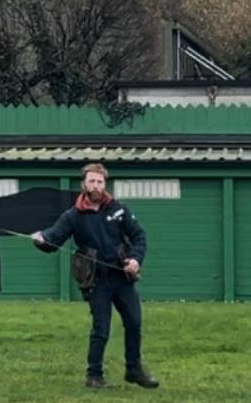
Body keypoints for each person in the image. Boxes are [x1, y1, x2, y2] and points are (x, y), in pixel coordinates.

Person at [32, 162, 159, 390]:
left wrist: (135, 260)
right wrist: (41, 239)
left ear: (104, 184)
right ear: (84, 184)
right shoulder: (73, 215)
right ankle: (94, 376)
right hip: (96, 280)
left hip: (122, 277)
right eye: (92, 181)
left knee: (134, 321)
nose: (96, 186)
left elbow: (139, 236)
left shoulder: (119, 209)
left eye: (100, 182)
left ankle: (133, 370)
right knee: (101, 328)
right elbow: (54, 238)